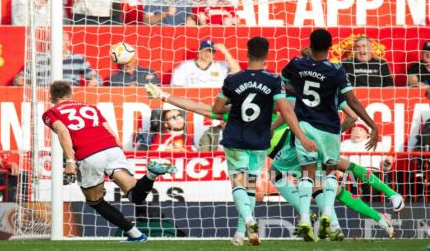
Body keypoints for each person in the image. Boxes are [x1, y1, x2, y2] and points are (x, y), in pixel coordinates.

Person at [144, 83, 396, 241]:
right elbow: (198, 106)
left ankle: (381, 201)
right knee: (331, 185)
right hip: (285, 155)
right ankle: (372, 218)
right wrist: (165, 97)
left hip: (293, 144)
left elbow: (293, 106)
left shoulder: (272, 108)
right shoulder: (244, 114)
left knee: (336, 169)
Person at [211, 36, 317, 246]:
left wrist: (232, 107)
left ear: (247, 53)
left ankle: (249, 221)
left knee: (238, 184)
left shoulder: (233, 79)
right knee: (249, 186)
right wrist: (302, 137)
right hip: (260, 140)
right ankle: (242, 233)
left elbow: (216, 109)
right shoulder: (273, 80)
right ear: (267, 55)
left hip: (236, 138)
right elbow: (286, 110)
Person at [42, 80, 176, 242]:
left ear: (52, 97)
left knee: (95, 201)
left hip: (89, 153)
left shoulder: (51, 113)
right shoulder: (89, 107)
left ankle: (135, 234)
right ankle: (151, 174)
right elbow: (110, 130)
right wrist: (115, 151)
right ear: (71, 95)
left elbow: (63, 132)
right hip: (112, 148)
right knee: (135, 195)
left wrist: (70, 161)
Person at [281, 29, 378, 242]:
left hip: (304, 125)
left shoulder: (296, 64)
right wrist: (372, 125)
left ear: (310, 44)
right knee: (330, 173)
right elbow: (352, 101)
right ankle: (326, 214)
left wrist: (297, 89)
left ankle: (305, 219)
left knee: (307, 175)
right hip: (329, 129)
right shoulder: (336, 70)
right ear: (331, 47)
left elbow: (282, 82)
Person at [14, 32, 101, 86]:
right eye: (55, 40)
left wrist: (94, 81)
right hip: (44, 97)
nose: (58, 43)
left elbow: (97, 78)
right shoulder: (37, 59)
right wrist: (20, 80)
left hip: (70, 97)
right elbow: (19, 78)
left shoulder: (78, 59)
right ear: (49, 43)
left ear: (68, 42)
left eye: (62, 40)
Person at [170, 40, 240, 87]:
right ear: (199, 52)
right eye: (205, 51)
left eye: (211, 51)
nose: (208, 54)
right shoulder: (185, 66)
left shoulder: (220, 66)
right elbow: (176, 86)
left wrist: (226, 52)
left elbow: (237, 71)